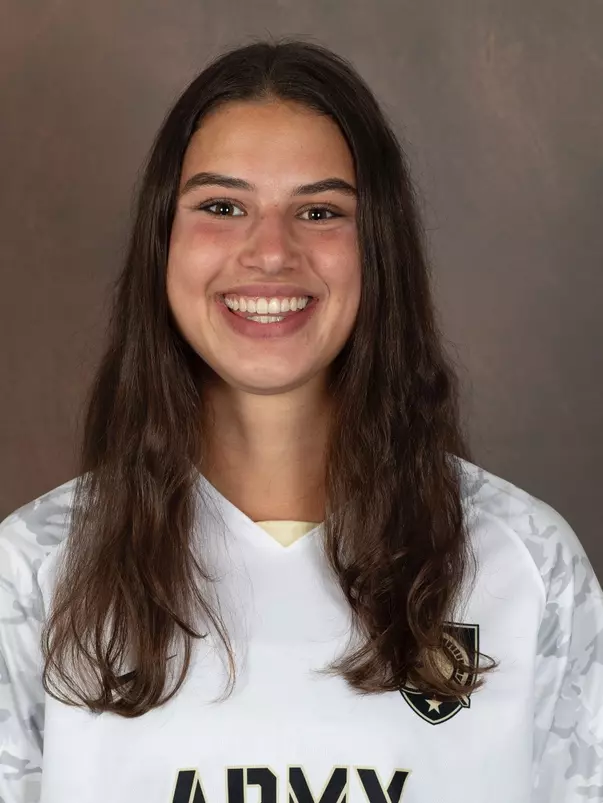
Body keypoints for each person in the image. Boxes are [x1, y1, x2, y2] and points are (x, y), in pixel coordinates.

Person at [0, 37, 601, 803]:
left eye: (318, 212)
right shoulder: (32, 576)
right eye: (222, 207)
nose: (270, 253)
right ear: (163, 242)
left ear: (377, 248)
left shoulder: (528, 565)